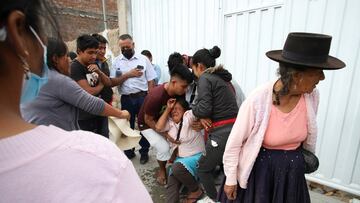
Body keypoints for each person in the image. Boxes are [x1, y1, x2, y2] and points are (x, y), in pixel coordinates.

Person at [0, 1, 152, 202]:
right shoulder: (97, 154)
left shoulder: (101, 65)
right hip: (86, 123)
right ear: (18, 31)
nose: (68, 63)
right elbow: (91, 100)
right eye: (65, 57)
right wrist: (119, 111)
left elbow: (109, 82)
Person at [220, 32, 346, 203]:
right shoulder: (258, 99)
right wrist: (231, 178)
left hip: (292, 174)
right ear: (296, 75)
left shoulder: (312, 96)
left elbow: (306, 136)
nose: (322, 78)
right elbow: (234, 143)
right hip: (262, 174)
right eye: (318, 72)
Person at [21, 38, 130, 131]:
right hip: (57, 139)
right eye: (66, 56)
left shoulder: (29, 78)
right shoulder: (56, 80)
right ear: (55, 59)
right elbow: (91, 103)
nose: (69, 60)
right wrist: (121, 114)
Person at [191, 46, 239, 201]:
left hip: (222, 134)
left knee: (202, 169)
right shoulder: (222, 78)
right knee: (229, 169)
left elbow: (204, 108)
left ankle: (215, 199)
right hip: (234, 130)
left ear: (199, 66)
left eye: (193, 69)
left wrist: (194, 109)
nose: (194, 74)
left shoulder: (205, 78)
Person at [138, 64, 193, 185]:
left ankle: (176, 166)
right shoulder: (156, 96)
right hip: (147, 125)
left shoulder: (180, 92)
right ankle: (162, 170)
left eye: (187, 87)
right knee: (163, 147)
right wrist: (166, 135)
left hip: (164, 119)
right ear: (173, 82)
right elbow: (148, 120)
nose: (186, 90)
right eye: (184, 86)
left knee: (180, 139)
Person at [113, 34, 157, 164]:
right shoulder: (116, 62)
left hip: (142, 97)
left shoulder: (143, 59)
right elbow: (113, 80)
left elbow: (151, 79)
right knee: (127, 126)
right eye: (123, 48)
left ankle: (144, 151)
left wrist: (150, 96)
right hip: (126, 98)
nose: (125, 49)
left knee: (143, 125)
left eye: (128, 47)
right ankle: (129, 151)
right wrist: (128, 75)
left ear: (133, 45)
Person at [155, 98, 205, 203]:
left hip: (197, 156)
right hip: (181, 160)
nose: (174, 111)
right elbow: (159, 127)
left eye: (177, 109)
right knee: (171, 182)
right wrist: (168, 109)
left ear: (184, 110)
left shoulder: (189, 117)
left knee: (176, 168)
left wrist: (202, 120)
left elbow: (200, 110)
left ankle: (196, 191)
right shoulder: (170, 122)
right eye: (172, 110)